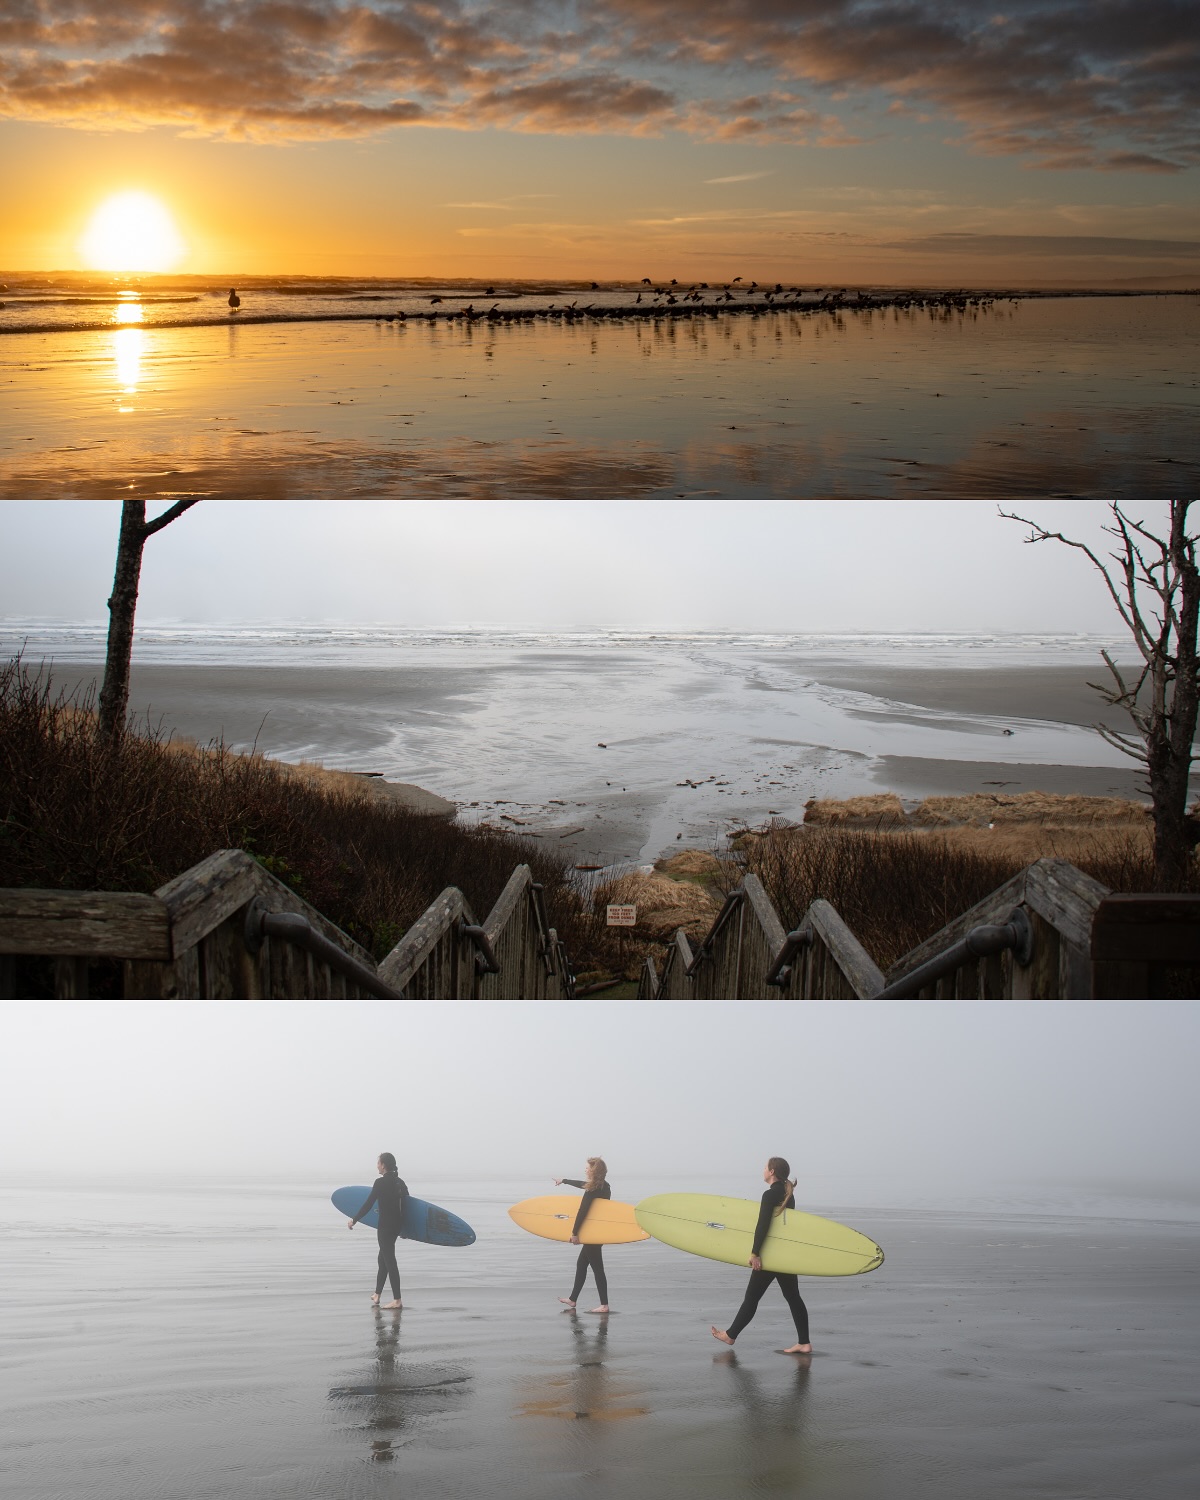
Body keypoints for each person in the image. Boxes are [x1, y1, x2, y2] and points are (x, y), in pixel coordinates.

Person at [711, 1157, 811, 1354]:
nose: (763, 1170)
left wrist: (755, 1252)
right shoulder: (788, 1194)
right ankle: (804, 1342)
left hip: (771, 1256)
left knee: (752, 1297)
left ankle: (730, 1335)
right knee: (793, 1297)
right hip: (784, 1255)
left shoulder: (769, 1195)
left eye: (765, 1167)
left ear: (772, 1171)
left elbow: (763, 1225)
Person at [348, 1153, 409, 1309]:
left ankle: (397, 1300)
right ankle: (377, 1294)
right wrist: (406, 1229)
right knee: (383, 1260)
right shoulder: (400, 1182)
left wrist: (354, 1219)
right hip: (396, 1227)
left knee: (389, 1262)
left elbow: (368, 1204)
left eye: (378, 1163)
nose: (377, 1165)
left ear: (383, 1165)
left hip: (385, 1227)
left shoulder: (380, 1183)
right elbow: (408, 1207)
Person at [555, 1157, 611, 1313]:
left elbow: (582, 1211)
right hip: (598, 1231)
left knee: (598, 1269)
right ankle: (573, 1299)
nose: (585, 1169)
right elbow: (582, 1184)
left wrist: (575, 1233)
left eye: (587, 1168)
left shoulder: (592, 1189)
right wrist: (564, 1180)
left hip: (591, 1233)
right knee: (581, 1265)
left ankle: (604, 1305)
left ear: (593, 1170)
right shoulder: (605, 1186)